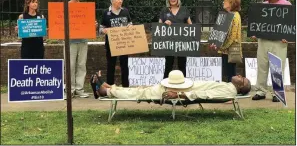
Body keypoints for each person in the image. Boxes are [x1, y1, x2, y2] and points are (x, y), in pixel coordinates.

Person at [91, 70, 251, 101]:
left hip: (180, 90)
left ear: (241, 87)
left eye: (242, 78)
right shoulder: (228, 86)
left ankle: (107, 91)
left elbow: (206, 95)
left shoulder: (229, 91)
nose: (239, 75)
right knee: (143, 90)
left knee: (141, 93)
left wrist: (180, 95)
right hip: (181, 86)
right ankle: (109, 87)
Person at [251, 0, 291, 102]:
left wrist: (288, 35)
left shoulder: (286, 5)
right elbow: (258, 22)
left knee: (277, 66)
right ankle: (260, 91)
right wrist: (255, 32)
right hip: (263, 40)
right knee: (262, 66)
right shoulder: (263, 5)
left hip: (279, 42)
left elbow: (291, 24)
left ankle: (277, 93)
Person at [67, 0, 97, 98]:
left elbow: (90, 23)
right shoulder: (64, 7)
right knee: (70, 65)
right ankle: (70, 89)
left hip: (83, 41)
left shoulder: (85, 8)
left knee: (81, 65)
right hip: (69, 42)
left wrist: (93, 25)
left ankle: (79, 89)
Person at [100, 0, 132, 87]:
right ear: (112, 1)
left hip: (124, 43)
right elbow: (101, 28)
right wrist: (104, 30)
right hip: (111, 44)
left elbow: (130, 23)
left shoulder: (125, 11)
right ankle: (110, 86)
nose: (120, 1)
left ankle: (125, 86)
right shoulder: (106, 12)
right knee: (111, 65)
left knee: (124, 65)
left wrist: (130, 27)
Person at [159, 0, 192, 79]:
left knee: (182, 65)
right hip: (169, 42)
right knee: (168, 65)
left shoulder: (184, 10)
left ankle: (182, 87)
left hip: (182, 42)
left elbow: (191, 26)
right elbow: (159, 26)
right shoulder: (164, 10)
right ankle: (166, 87)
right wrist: (164, 23)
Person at [210, 0, 242, 82]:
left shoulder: (234, 16)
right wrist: (215, 42)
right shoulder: (228, 15)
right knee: (227, 72)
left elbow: (231, 36)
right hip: (225, 50)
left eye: (225, 1)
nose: (223, 2)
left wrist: (220, 45)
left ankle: (231, 90)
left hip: (230, 50)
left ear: (231, 3)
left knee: (230, 73)